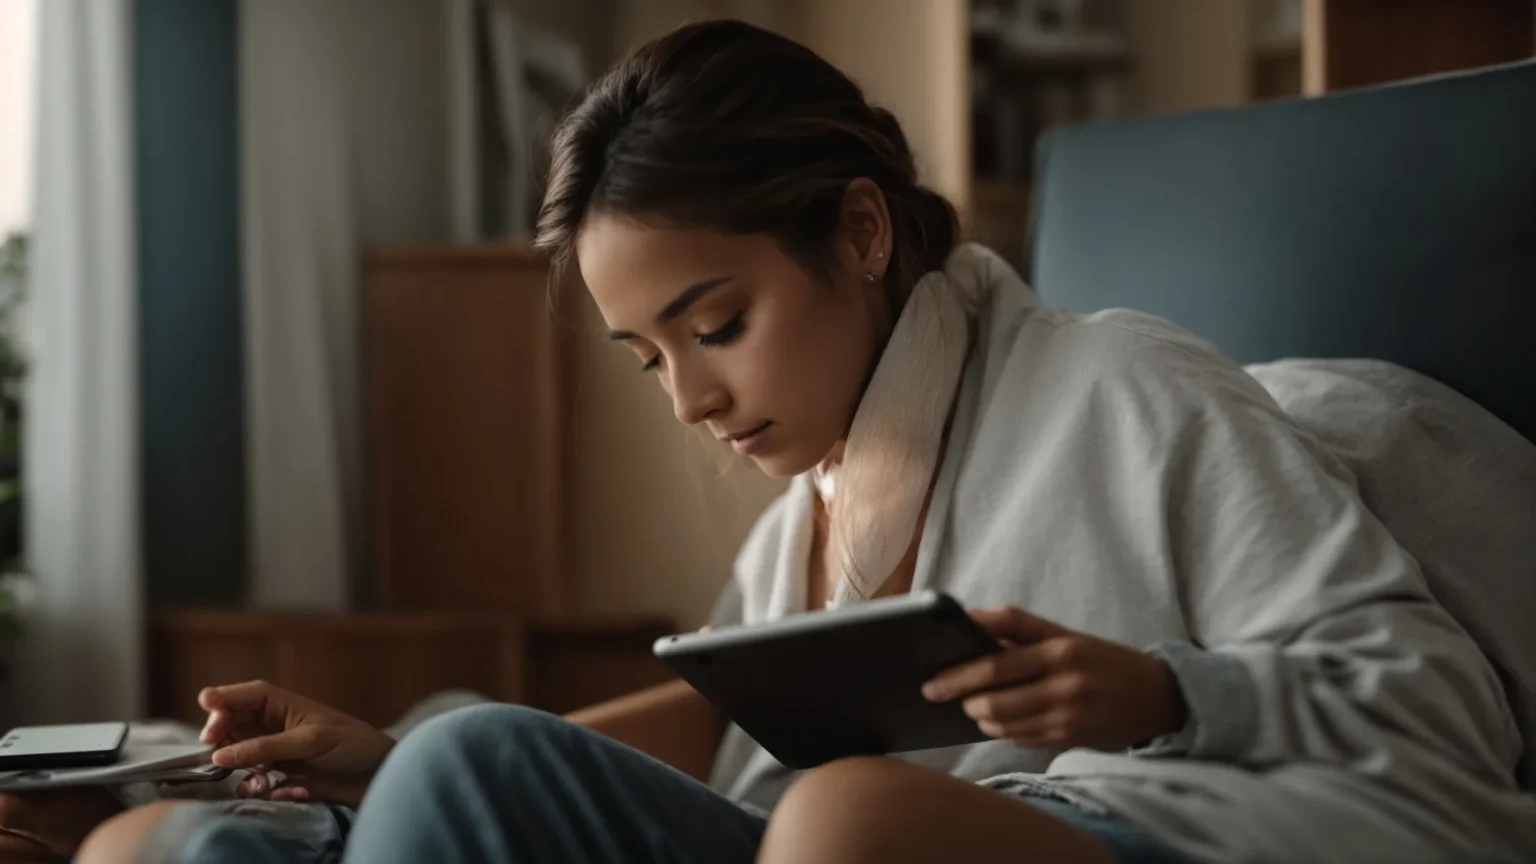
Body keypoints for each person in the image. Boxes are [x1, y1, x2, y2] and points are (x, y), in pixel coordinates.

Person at [70, 19, 1533, 864]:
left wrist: (1161, 686)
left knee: (809, 817)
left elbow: (1438, 711)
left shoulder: (1125, 395)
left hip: (1133, 827)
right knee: (178, 844)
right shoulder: (815, 514)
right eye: (648, 358)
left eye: (717, 326)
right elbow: (716, 721)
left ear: (857, 226)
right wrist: (390, 757)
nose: (693, 403)